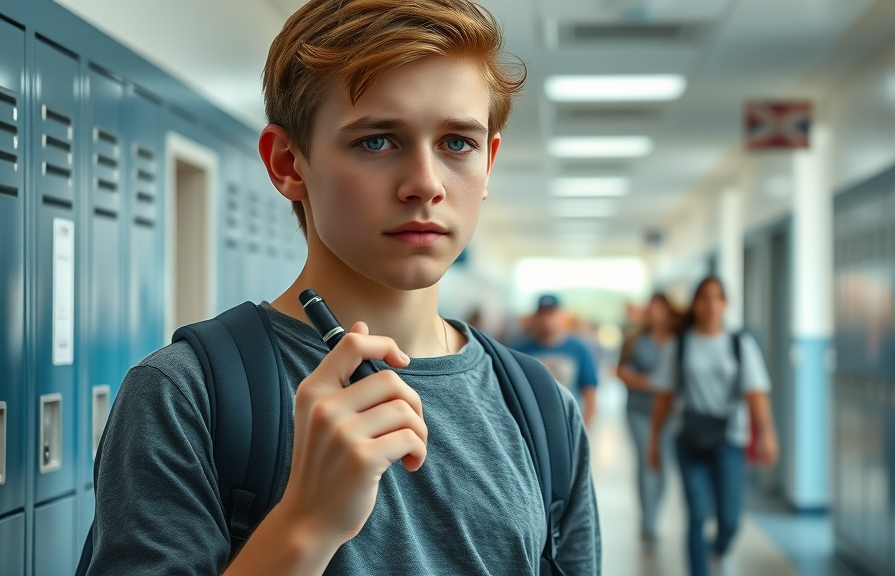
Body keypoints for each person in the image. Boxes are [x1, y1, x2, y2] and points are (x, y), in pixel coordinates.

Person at [81, 1, 601, 574]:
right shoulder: (186, 397)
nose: (425, 184)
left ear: (489, 164)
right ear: (287, 163)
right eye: (377, 141)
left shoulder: (541, 410)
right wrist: (307, 523)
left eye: (457, 143)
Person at [649, 276, 778, 576]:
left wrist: (768, 435)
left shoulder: (739, 344)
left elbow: (756, 395)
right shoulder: (679, 345)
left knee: (729, 519)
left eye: (716, 298)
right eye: (703, 298)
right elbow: (664, 399)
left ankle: (717, 549)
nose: (710, 304)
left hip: (731, 439)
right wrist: (653, 442)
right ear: (695, 304)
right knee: (696, 515)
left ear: (725, 304)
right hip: (689, 437)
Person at [616, 293, 680, 545]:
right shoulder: (635, 340)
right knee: (646, 461)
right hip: (639, 411)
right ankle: (648, 522)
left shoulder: (678, 341)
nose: (654, 314)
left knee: (662, 467)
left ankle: (653, 513)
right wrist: (648, 383)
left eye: (659, 309)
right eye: (650, 309)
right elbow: (620, 370)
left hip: (669, 415)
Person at [515, 295, 600, 427]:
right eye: (542, 314)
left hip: (567, 423)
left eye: (551, 313)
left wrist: (584, 429)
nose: (546, 319)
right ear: (535, 317)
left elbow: (589, 392)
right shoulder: (518, 350)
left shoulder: (579, 350)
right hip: (531, 424)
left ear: (561, 316)